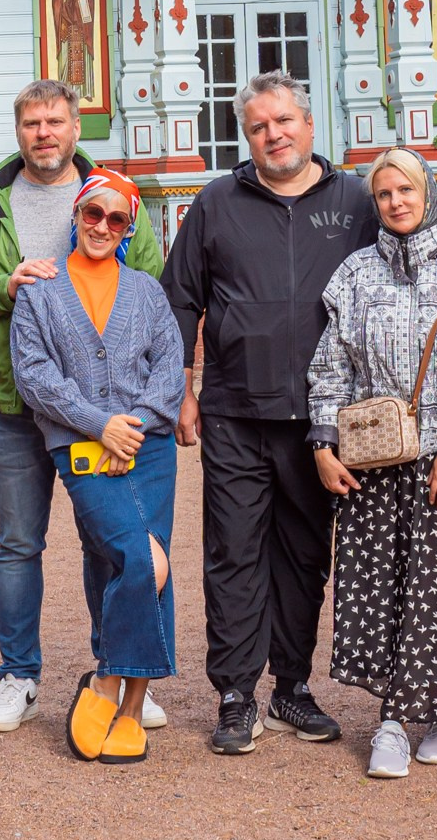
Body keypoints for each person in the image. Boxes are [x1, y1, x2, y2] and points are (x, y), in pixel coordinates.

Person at [0, 78, 166, 734]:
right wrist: (3, 287)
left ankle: (120, 674)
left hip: (102, 411)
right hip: (15, 401)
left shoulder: (115, 197)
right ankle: (19, 676)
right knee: (19, 542)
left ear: (74, 127)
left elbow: (149, 290)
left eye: (55, 121)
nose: (44, 133)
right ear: (20, 130)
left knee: (109, 542)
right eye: (32, 123)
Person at [162, 74, 379, 755]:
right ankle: (235, 694)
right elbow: (179, 303)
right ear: (245, 136)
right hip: (234, 411)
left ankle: (291, 687)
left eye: (284, 121)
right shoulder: (217, 203)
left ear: (309, 126)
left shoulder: (355, 199)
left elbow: (414, 239)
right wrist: (183, 391)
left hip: (324, 423)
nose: (273, 134)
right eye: (259, 126)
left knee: (305, 557)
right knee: (234, 554)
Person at [308, 149, 437, 779]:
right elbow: (331, 363)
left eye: (407, 189)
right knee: (385, 589)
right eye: (384, 194)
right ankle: (394, 721)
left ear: (429, 192)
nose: (397, 202)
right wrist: (322, 443)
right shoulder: (355, 274)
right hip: (376, 462)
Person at [8, 167, 184, 764]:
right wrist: (97, 423)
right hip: (81, 451)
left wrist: (130, 423)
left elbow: (169, 364)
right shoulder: (39, 291)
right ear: (77, 217)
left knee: (135, 562)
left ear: (129, 228)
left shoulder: (147, 291)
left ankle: (131, 702)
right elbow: (33, 375)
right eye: (92, 214)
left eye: (117, 219)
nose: (102, 226)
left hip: (149, 447)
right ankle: (110, 676)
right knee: (141, 556)